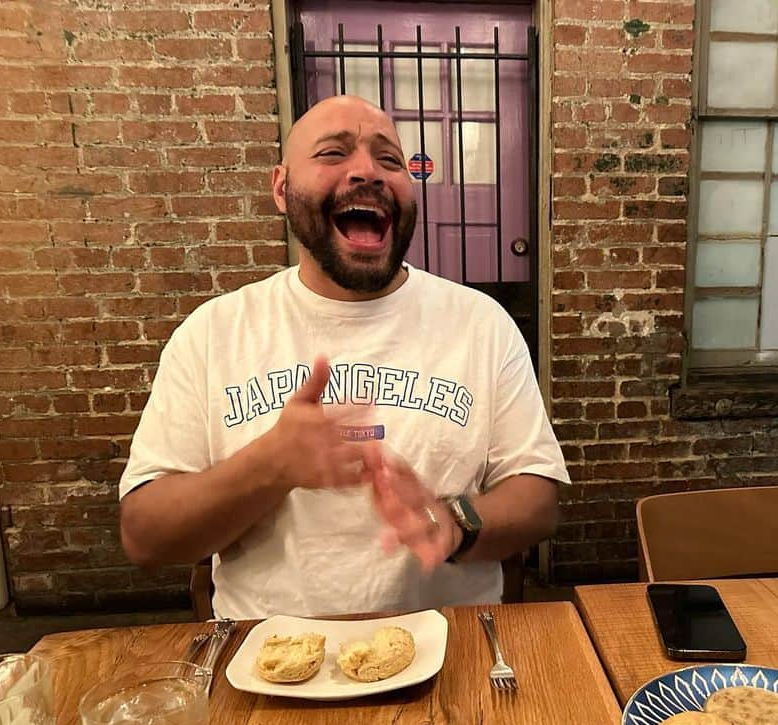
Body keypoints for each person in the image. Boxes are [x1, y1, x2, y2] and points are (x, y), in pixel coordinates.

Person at [118, 95, 569, 619]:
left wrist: (455, 524)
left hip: (453, 656)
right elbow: (145, 537)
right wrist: (271, 465)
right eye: (333, 154)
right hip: (270, 664)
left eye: (390, 160)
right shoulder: (214, 333)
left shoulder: (480, 324)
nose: (367, 172)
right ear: (282, 190)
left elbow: (538, 501)